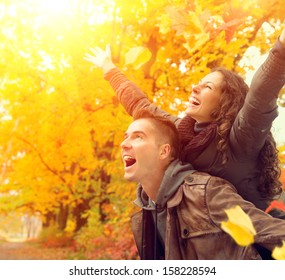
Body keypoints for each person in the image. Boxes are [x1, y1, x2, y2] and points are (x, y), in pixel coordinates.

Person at [84, 25, 285, 219]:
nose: (194, 89)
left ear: (226, 101)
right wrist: (109, 69)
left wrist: (281, 49)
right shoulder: (182, 132)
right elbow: (140, 106)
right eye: (197, 84)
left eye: (207, 87)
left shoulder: (241, 137)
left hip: (263, 240)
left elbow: (261, 91)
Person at [121, 111, 285, 260]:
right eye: (125, 136)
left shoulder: (205, 193)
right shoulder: (145, 216)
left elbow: (272, 233)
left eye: (138, 137)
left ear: (164, 152)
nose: (124, 144)